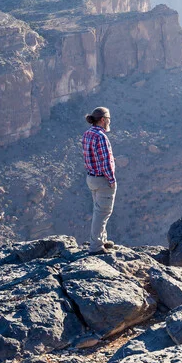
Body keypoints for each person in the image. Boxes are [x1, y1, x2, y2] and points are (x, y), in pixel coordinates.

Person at [82, 106, 116, 253]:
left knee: (99, 209)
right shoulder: (101, 136)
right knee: (102, 212)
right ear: (102, 120)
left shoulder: (88, 134)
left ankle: (101, 240)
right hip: (102, 180)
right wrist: (111, 179)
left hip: (91, 178)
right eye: (108, 119)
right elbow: (105, 161)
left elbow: (91, 156)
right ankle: (96, 247)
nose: (109, 122)